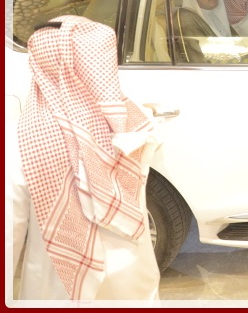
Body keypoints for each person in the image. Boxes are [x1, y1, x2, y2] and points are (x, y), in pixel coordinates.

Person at [10, 15, 161, 301]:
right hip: (132, 284)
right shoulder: (135, 122)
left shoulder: (21, 140)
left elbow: (9, 239)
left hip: (60, 290)